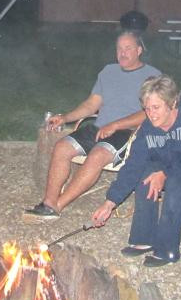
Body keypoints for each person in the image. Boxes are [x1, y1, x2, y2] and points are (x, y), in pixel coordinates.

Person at [92, 74, 181, 267]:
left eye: (156, 107)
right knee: (145, 175)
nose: (151, 114)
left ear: (172, 103)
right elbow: (133, 164)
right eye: (147, 108)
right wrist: (110, 203)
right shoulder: (149, 127)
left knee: (177, 184)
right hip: (176, 165)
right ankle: (144, 238)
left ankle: (167, 250)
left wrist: (165, 173)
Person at [25, 31, 160, 220]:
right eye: (119, 48)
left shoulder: (152, 76)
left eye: (128, 48)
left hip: (128, 132)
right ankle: (48, 202)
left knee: (97, 155)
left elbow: (150, 112)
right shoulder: (108, 72)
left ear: (139, 50)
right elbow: (91, 105)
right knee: (61, 147)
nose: (122, 53)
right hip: (98, 127)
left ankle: (57, 206)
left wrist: (116, 124)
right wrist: (65, 118)